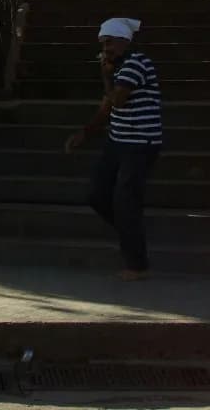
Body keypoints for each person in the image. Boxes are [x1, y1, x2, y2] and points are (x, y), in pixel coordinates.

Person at [65, 18, 163, 280]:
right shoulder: (120, 67)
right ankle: (132, 233)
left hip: (140, 145)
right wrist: (85, 133)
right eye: (102, 44)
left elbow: (117, 100)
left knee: (125, 201)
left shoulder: (135, 63)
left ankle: (137, 265)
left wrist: (105, 75)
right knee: (97, 195)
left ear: (124, 41)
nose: (105, 49)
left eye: (109, 42)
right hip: (118, 141)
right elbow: (106, 108)